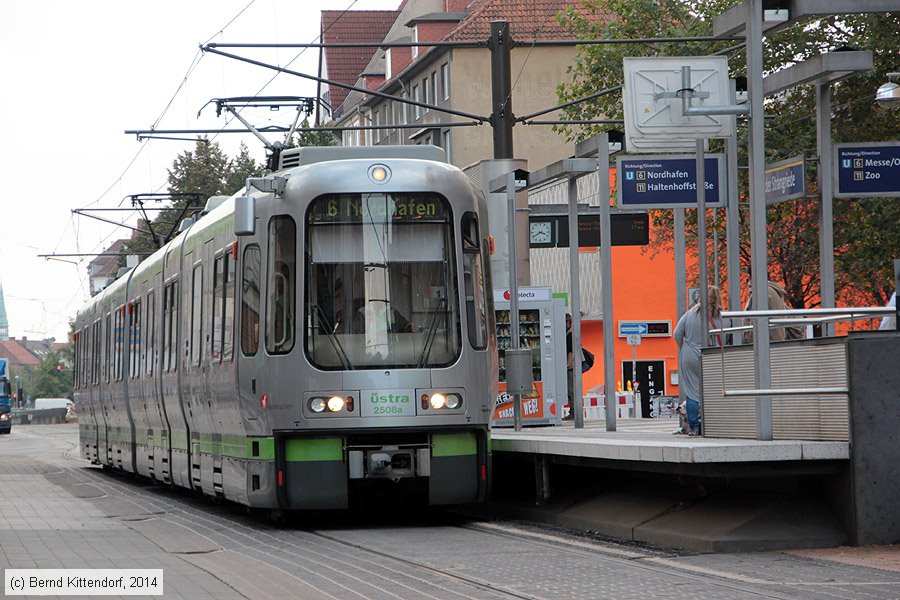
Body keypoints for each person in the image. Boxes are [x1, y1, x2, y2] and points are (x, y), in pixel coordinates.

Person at [674, 285, 725, 436]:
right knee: (712, 390)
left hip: (690, 354)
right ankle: (714, 423)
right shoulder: (723, 316)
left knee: (692, 392)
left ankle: (694, 427)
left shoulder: (690, 314)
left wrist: (685, 347)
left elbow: (677, 334)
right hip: (713, 355)